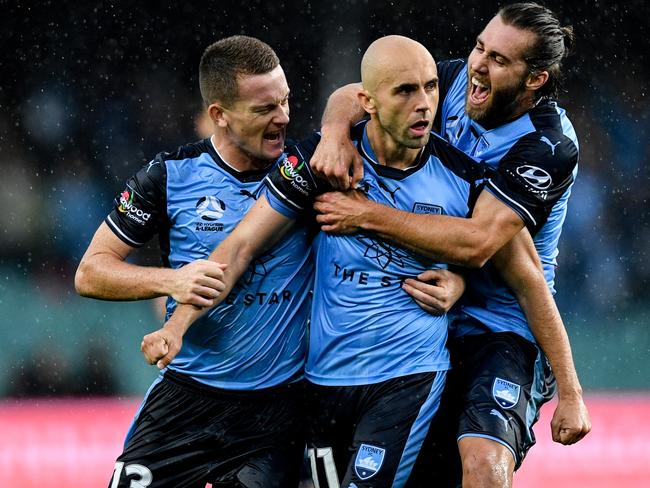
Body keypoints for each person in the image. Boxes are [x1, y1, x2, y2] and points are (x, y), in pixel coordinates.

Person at [142, 34, 579, 488]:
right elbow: (239, 247)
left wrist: (570, 390)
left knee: (480, 470)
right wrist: (176, 326)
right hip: (324, 380)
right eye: (406, 91)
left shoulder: (465, 178)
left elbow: (524, 274)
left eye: (431, 88)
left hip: (408, 376)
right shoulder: (323, 162)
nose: (425, 104)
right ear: (367, 101)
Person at [309, 3, 591, 487]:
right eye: (480, 46)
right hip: (426, 315)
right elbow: (364, 91)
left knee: (483, 465)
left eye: (500, 60)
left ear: (535, 80)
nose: (478, 64)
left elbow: (483, 243)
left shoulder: (547, 144)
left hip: (503, 326)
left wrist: (365, 216)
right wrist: (335, 133)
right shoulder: (453, 82)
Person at [75, 35, 311, 488]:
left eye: (285, 101)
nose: (283, 117)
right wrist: (172, 281)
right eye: (264, 109)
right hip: (185, 400)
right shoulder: (169, 175)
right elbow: (91, 272)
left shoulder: (305, 171)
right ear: (219, 115)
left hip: (277, 411)